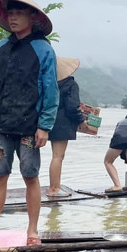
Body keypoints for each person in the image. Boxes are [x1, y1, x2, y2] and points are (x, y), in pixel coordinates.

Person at [0, 0, 59, 249]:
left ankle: (32, 230)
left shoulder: (43, 49)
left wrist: (45, 126)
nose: (13, 17)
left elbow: (50, 90)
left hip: (30, 127)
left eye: (19, 13)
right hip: (2, 126)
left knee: (30, 175)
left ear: (33, 18)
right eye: (10, 14)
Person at [47, 57, 87, 198]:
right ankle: (54, 188)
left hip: (49, 121)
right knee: (58, 156)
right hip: (63, 123)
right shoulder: (71, 84)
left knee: (55, 156)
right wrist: (82, 120)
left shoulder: (49, 83)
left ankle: (54, 186)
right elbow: (72, 107)